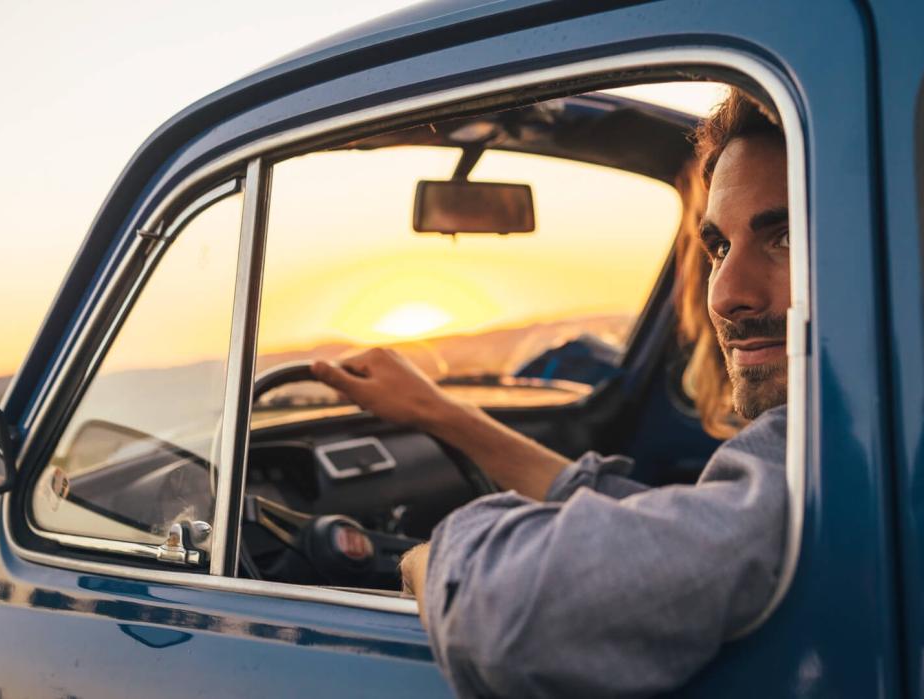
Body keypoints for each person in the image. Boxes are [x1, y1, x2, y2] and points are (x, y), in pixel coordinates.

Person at [309, 89, 792, 697]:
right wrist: (438, 412)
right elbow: (675, 531)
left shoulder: (824, 451)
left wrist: (431, 562)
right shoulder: (820, 453)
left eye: (784, 238)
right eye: (719, 247)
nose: (724, 294)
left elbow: (518, 617)